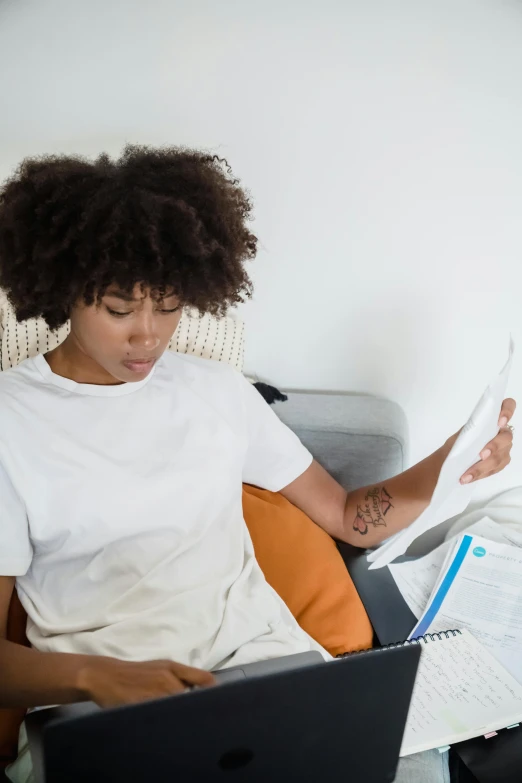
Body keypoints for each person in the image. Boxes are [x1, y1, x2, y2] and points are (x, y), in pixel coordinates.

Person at [0, 146, 514, 783]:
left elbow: (350, 518)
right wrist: (92, 676)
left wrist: (453, 459)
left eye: (167, 304)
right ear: (62, 288)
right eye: (118, 308)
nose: (149, 336)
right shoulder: (11, 423)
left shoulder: (218, 390)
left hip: (271, 677)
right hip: (107, 708)